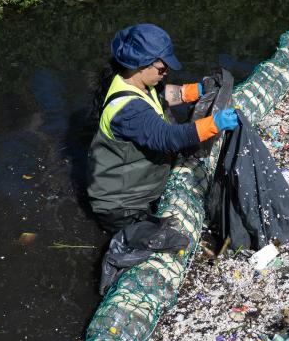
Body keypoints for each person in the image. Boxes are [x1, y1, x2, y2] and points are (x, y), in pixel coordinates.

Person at [87, 23, 238, 232]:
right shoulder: (128, 110)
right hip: (121, 207)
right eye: (161, 68)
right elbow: (168, 138)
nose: (166, 72)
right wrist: (214, 123)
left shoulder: (133, 82)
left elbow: (159, 96)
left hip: (139, 191)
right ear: (139, 65)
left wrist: (194, 91)